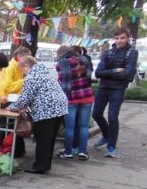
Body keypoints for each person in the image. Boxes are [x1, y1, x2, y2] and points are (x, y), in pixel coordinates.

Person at [8, 56, 68, 174]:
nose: (23, 73)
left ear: (26, 66)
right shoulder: (45, 73)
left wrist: (12, 107)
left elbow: (24, 100)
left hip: (46, 110)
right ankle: (45, 164)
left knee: (43, 139)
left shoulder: (31, 77)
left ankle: (39, 166)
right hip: (60, 108)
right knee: (50, 139)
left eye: (22, 70)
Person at [92, 27, 138, 158]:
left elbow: (128, 73)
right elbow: (98, 73)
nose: (119, 41)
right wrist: (115, 71)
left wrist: (109, 74)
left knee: (112, 117)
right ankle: (106, 135)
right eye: (117, 38)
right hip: (104, 88)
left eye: (122, 38)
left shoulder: (132, 53)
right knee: (96, 114)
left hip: (118, 89)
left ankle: (111, 146)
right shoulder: (108, 52)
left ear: (128, 38)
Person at [55, 46, 94, 160]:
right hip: (87, 96)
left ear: (61, 54)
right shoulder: (85, 60)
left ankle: (68, 152)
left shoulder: (61, 64)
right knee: (84, 126)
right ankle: (82, 152)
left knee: (70, 127)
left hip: (71, 98)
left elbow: (62, 84)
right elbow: (89, 76)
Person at [0, 46, 31, 157]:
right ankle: (6, 149)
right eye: (26, 58)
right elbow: (8, 86)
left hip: (14, 99)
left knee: (15, 126)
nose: (27, 61)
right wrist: (24, 81)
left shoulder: (18, 67)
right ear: (19, 57)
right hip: (7, 100)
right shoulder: (10, 67)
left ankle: (17, 150)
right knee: (7, 127)